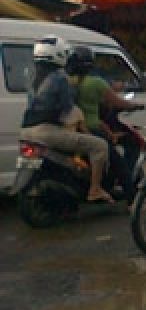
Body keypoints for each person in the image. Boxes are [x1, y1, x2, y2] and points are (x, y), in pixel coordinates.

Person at [20, 36, 113, 203]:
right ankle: (95, 189)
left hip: (27, 131)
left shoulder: (31, 75)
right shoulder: (60, 78)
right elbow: (68, 112)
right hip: (47, 132)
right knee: (100, 146)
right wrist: (84, 128)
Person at [65, 45, 143, 198]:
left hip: (74, 128)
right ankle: (131, 198)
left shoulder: (68, 82)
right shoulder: (96, 83)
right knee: (120, 160)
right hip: (94, 128)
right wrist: (136, 106)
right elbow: (117, 102)